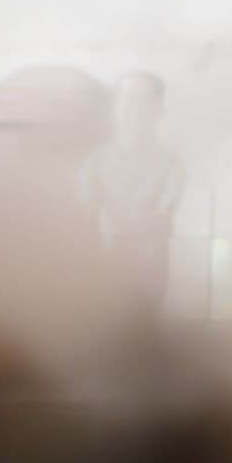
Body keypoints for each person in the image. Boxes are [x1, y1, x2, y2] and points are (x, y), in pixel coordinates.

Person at [81, 71, 185, 312]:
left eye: (144, 100)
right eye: (126, 99)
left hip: (149, 262)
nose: (134, 109)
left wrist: (149, 229)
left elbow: (166, 205)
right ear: (114, 108)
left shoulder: (171, 166)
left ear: (159, 110)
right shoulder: (94, 162)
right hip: (103, 260)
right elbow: (86, 210)